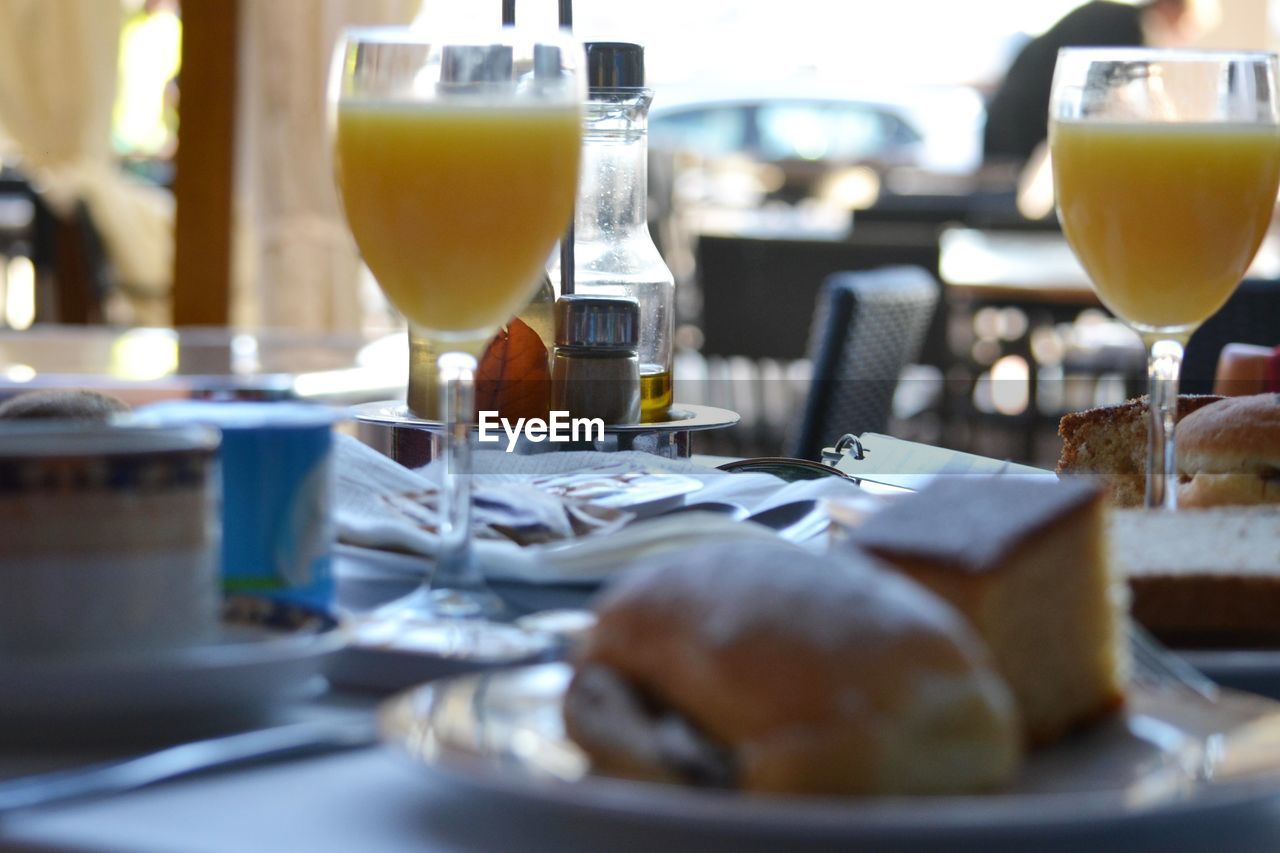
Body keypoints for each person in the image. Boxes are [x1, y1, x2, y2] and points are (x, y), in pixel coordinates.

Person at [982, 0, 1197, 170]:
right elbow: (1124, 99)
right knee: (1005, 203)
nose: (1182, 35)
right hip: (1017, 121)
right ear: (1169, 6)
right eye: (1184, 23)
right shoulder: (1126, 29)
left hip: (1017, 112)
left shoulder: (1114, 18)